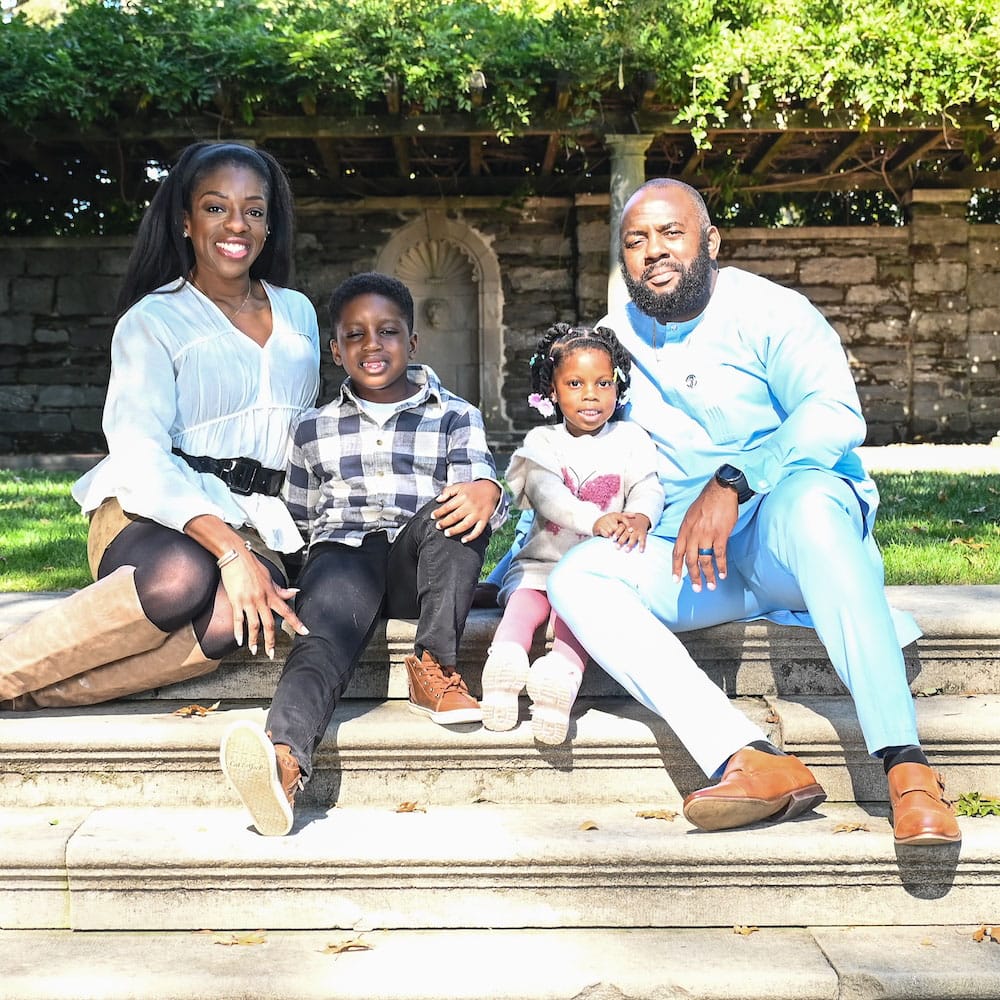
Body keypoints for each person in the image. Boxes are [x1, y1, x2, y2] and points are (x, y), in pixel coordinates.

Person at [544, 178, 960, 846]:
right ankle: (752, 759)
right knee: (579, 576)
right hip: (697, 561)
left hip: (789, 541)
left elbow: (833, 416)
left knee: (814, 500)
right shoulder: (616, 336)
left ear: (710, 241)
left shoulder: (774, 311)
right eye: (636, 240)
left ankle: (907, 768)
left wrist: (737, 480)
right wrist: (513, 555)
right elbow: (583, 450)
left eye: (670, 233)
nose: (653, 251)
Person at [0, 141, 318, 710]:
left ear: (271, 223)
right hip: (149, 510)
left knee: (234, 617)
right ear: (186, 221)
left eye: (254, 209)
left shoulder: (299, 313)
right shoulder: (153, 319)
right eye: (217, 207)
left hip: (257, 518)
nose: (236, 224)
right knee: (182, 579)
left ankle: (34, 694)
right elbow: (140, 456)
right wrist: (229, 553)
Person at [220, 271, 507, 837]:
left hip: (416, 561)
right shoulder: (312, 428)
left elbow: (478, 498)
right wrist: (303, 586)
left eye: (388, 332)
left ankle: (433, 665)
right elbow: (298, 520)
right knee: (321, 641)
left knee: (457, 510)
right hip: (343, 559)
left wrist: (488, 491)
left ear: (412, 342)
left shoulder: (455, 415)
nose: (372, 345)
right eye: (355, 335)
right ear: (335, 349)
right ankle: (282, 764)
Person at [480, 323, 663, 744]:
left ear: (618, 385)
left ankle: (559, 680)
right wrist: (594, 520)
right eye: (575, 384)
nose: (591, 394)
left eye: (603, 382)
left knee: (577, 613)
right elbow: (547, 495)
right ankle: (505, 665)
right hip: (541, 562)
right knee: (524, 603)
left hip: (593, 572)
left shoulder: (631, 438)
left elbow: (648, 485)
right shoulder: (542, 441)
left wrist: (639, 516)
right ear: (552, 391)